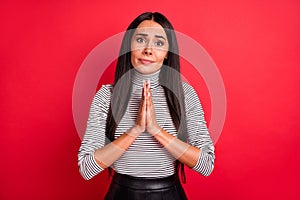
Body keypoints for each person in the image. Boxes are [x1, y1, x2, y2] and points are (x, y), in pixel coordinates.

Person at [78, 12, 215, 200]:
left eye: (159, 43)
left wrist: (156, 130)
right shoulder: (106, 96)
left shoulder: (184, 95)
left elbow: (206, 165)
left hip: (169, 194)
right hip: (122, 194)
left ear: (168, 53)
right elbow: (86, 168)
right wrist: (135, 130)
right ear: (129, 46)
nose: (148, 50)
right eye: (141, 40)